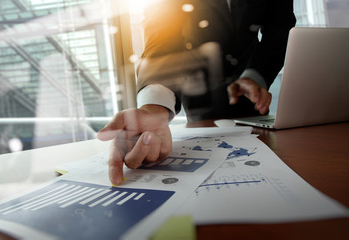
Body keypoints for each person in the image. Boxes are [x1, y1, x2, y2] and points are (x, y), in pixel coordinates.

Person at [97, 0, 296, 185]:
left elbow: (279, 27)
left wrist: (254, 75)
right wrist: (154, 107)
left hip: (253, 99)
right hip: (202, 101)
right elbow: (161, 37)